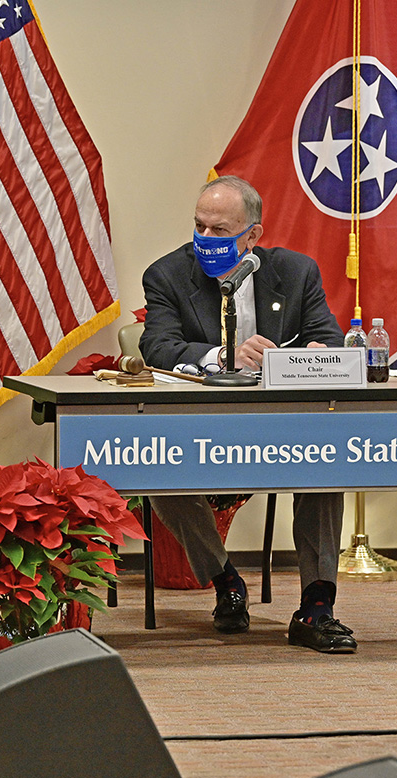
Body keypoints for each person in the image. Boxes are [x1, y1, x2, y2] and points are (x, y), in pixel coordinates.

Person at [139, 175, 355, 653]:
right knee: (155, 472)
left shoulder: (296, 273)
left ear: (253, 235)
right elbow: (156, 347)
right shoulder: (167, 275)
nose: (206, 239)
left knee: (328, 462)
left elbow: (331, 338)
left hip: (282, 428)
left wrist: (316, 353)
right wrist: (224, 355)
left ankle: (317, 606)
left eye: (220, 231)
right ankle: (224, 580)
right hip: (200, 427)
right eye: (200, 227)